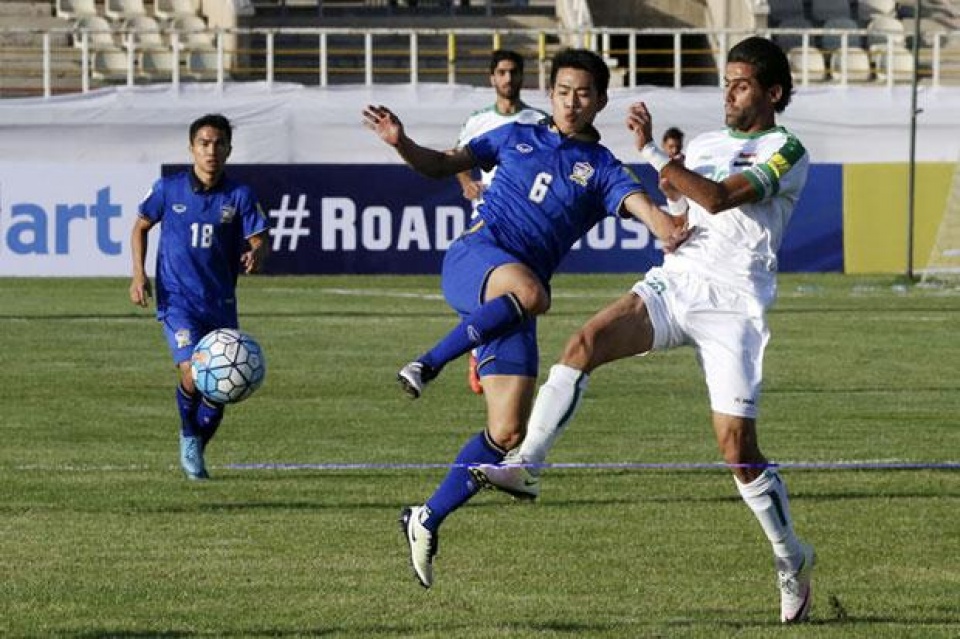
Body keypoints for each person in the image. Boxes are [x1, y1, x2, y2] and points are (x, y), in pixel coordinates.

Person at [473, 36, 816, 624]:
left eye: (741, 84)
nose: (728, 93)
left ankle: (792, 557)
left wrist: (655, 154)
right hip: (677, 283)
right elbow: (684, 202)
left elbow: (716, 196)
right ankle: (527, 464)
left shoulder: (785, 149)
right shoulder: (707, 143)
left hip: (733, 303)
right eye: (726, 82)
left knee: (737, 448)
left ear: (773, 93)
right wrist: (668, 210)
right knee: (584, 342)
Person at [362, 48, 689, 590]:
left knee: (507, 432)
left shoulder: (603, 168)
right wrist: (402, 144)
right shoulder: (514, 135)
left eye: (583, 93)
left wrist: (665, 226)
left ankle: (425, 516)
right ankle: (427, 362)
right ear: (550, 91)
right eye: (563, 90)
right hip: (474, 258)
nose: (571, 101)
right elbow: (443, 165)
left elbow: (641, 205)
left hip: (512, 298)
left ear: (600, 101)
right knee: (536, 293)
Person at [129, 113, 271, 481]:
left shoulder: (239, 195)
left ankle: (195, 439)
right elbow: (141, 227)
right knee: (193, 373)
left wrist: (256, 253)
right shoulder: (168, 189)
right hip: (177, 301)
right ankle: (189, 435)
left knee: (222, 388)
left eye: (219, 143)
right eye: (204, 143)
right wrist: (138, 274)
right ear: (192, 148)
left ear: (229, 149)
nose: (212, 151)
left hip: (220, 303)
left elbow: (259, 239)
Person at [454, 49, 546, 396]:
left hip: (524, 221)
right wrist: (467, 183)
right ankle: (479, 354)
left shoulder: (537, 120)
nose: (508, 79)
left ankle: (497, 357)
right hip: (486, 219)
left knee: (521, 294)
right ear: (492, 78)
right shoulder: (478, 121)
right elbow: (457, 157)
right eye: (502, 73)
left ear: (523, 77)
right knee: (487, 290)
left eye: (514, 72)